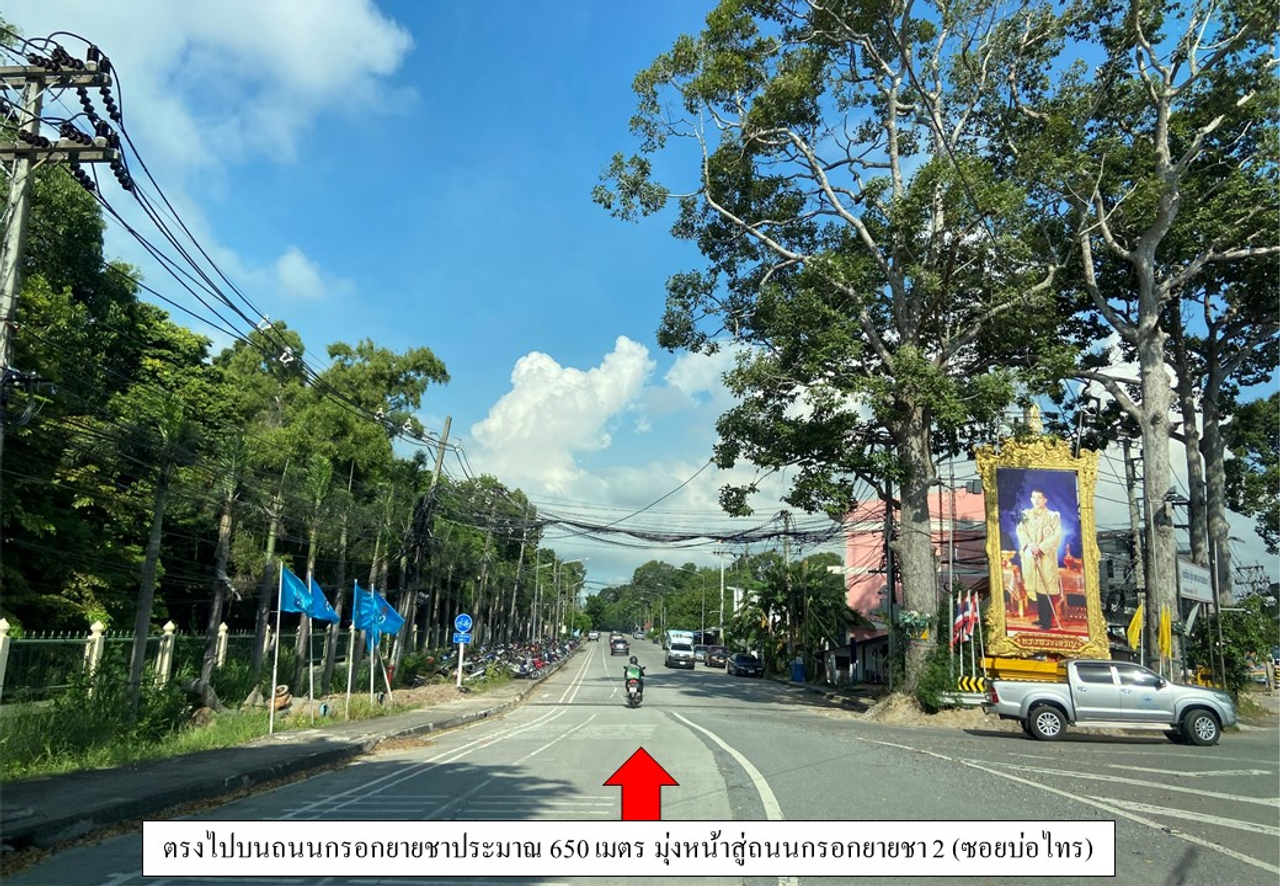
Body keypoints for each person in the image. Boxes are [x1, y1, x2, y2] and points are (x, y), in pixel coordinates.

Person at [1016, 489, 1064, 631]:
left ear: (1045, 500)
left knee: (1045, 588)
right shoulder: (1025, 515)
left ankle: (1047, 622)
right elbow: (1020, 530)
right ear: (1031, 499)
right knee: (1037, 588)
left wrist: (1041, 547)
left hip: (1046, 557)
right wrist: (1030, 544)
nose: (1036, 500)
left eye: (1039, 498)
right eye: (1034, 497)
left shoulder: (1053, 516)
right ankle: (1042, 618)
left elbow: (1057, 535)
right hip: (1031, 555)